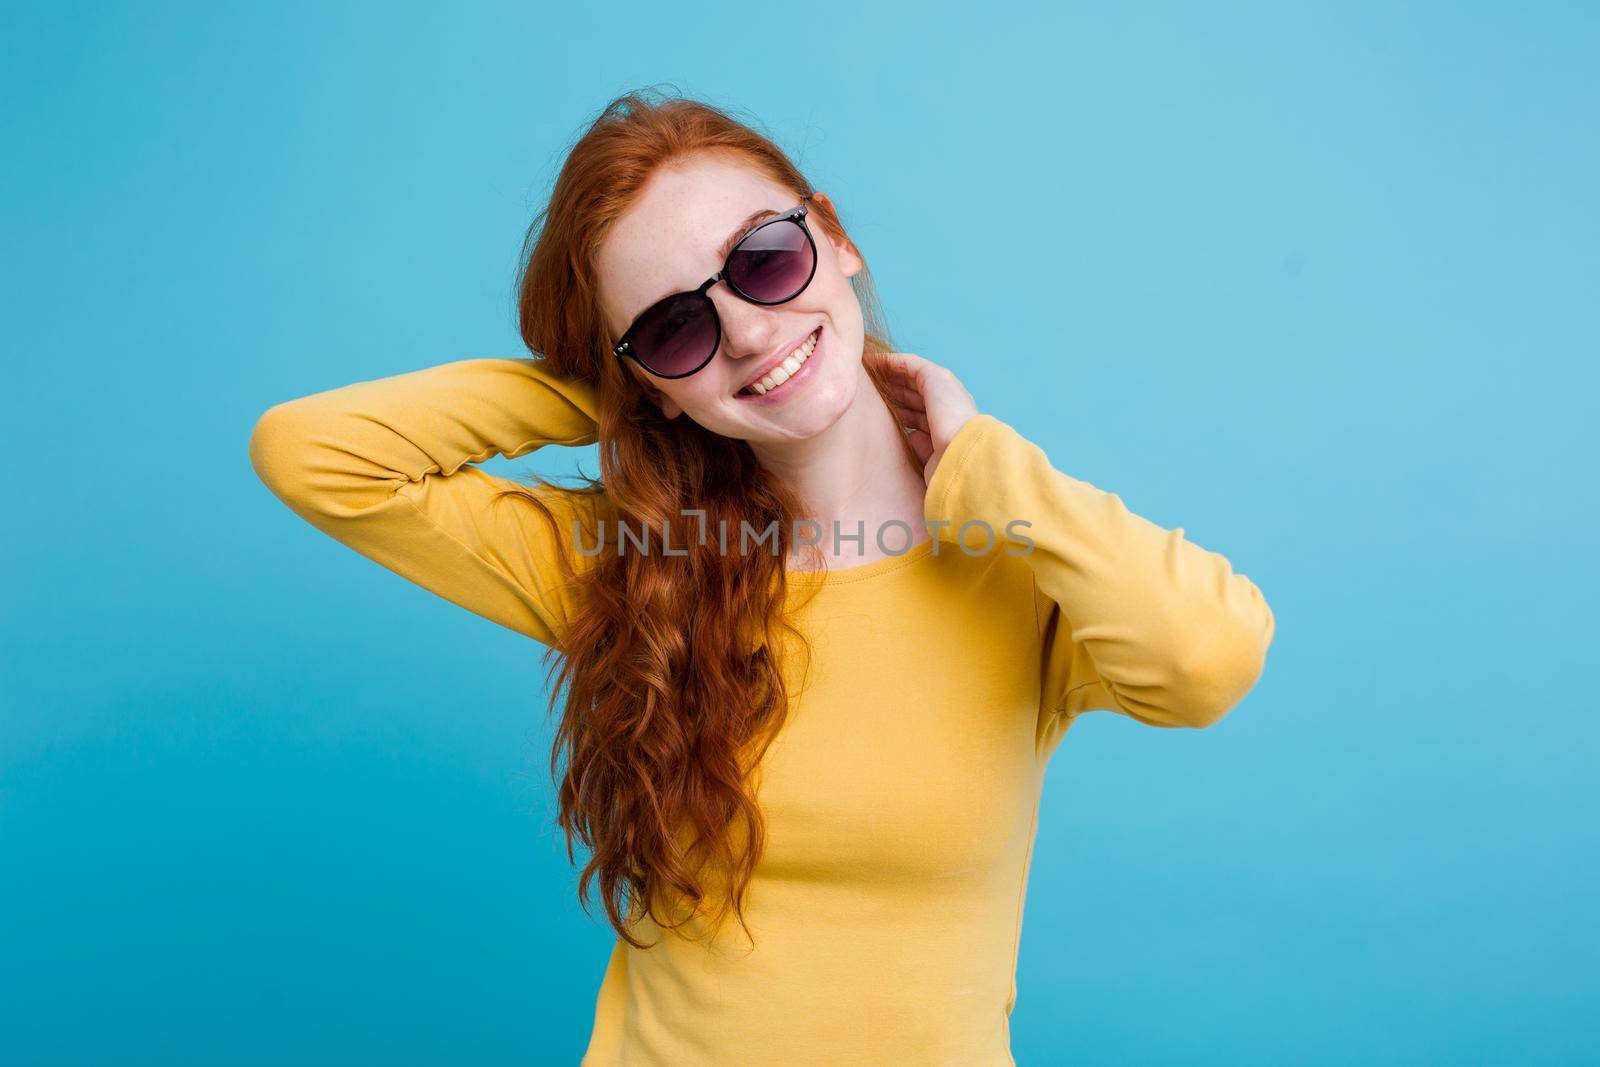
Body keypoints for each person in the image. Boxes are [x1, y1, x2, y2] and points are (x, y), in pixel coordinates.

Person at [247, 89, 1276, 1066]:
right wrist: (621, 393)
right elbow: (313, 455)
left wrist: (985, 466)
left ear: (834, 236)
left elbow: (1205, 658)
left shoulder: (1012, 556)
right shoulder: (634, 565)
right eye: (672, 326)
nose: (742, 329)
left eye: (763, 259)